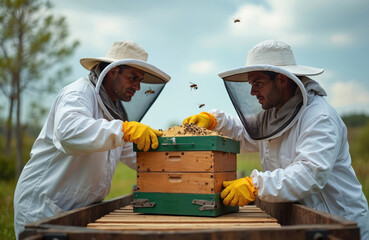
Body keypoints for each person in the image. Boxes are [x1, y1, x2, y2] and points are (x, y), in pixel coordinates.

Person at [183, 40, 369, 239]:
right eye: (251, 84)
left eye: (258, 83)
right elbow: (245, 133)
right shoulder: (274, 114)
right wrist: (214, 122)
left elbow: (309, 174)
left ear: (282, 80)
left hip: (338, 224)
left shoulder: (319, 117)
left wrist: (255, 185)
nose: (253, 91)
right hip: (304, 223)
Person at [13, 40, 170, 239]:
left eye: (140, 80)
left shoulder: (115, 111)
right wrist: (125, 130)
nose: (138, 87)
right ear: (113, 71)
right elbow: (69, 133)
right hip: (45, 208)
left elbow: (137, 157)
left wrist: (178, 162)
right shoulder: (78, 93)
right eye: (133, 78)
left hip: (81, 210)